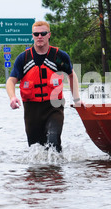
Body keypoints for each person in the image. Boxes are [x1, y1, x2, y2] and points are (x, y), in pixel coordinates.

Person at [6, 21, 82, 152]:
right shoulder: (23, 59)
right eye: (36, 34)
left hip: (54, 106)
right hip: (32, 109)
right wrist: (12, 97)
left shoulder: (59, 57)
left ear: (49, 35)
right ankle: (40, 172)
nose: (39, 36)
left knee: (53, 142)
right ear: (33, 36)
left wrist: (76, 99)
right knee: (36, 149)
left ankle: (56, 171)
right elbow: (11, 81)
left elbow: (71, 74)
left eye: (43, 33)